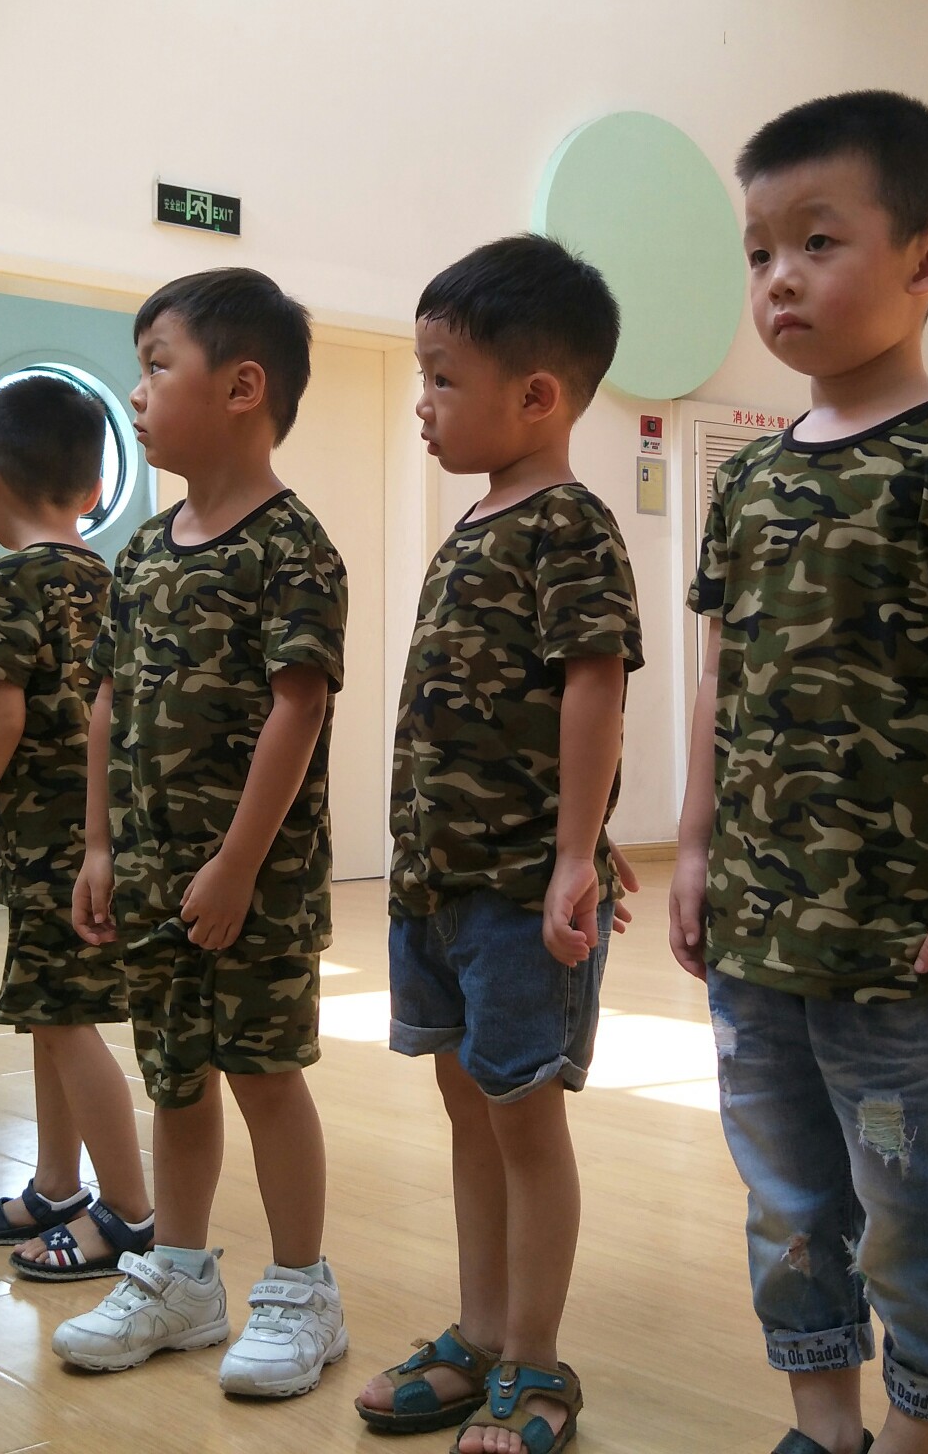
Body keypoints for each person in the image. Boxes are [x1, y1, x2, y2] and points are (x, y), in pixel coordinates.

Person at [669, 93, 928, 1454]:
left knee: (916, 1202)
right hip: (759, 933)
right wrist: (694, 846)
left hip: (904, 944)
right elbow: (722, 679)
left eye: (817, 242)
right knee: (786, 1198)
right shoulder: (749, 481)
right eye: (759, 251)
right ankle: (822, 1422)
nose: (778, 277)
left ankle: (916, 1430)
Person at [353, 234, 643, 1454]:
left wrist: (578, 852)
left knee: (523, 1120)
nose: (422, 403)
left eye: (442, 378)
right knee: (467, 1108)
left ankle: (534, 1359)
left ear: (536, 396)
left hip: (521, 895)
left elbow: (595, 687)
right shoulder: (473, 524)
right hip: (437, 887)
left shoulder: (569, 525)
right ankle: (478, 1334)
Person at [50, 269, 349, 1401]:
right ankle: (179, 1277)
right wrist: (99, 846)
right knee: (175, 1078)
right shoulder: (141, 552)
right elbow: (108, 702)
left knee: (265, 1075)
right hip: (150, 873)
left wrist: (235, 865)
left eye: (156, 366)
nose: (135, 392)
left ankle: (303, 1289)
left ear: (241, 386)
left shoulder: (292, 546)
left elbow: (297, 708)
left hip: (254, 883)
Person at [0, 374, 156, 1280]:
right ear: (96, 488)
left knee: (63, 1021)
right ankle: (58, 1185)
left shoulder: (3, 581)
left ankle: (130, 1214)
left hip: (45, 838)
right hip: (98, 830)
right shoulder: (110, 576)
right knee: (53, 1011)